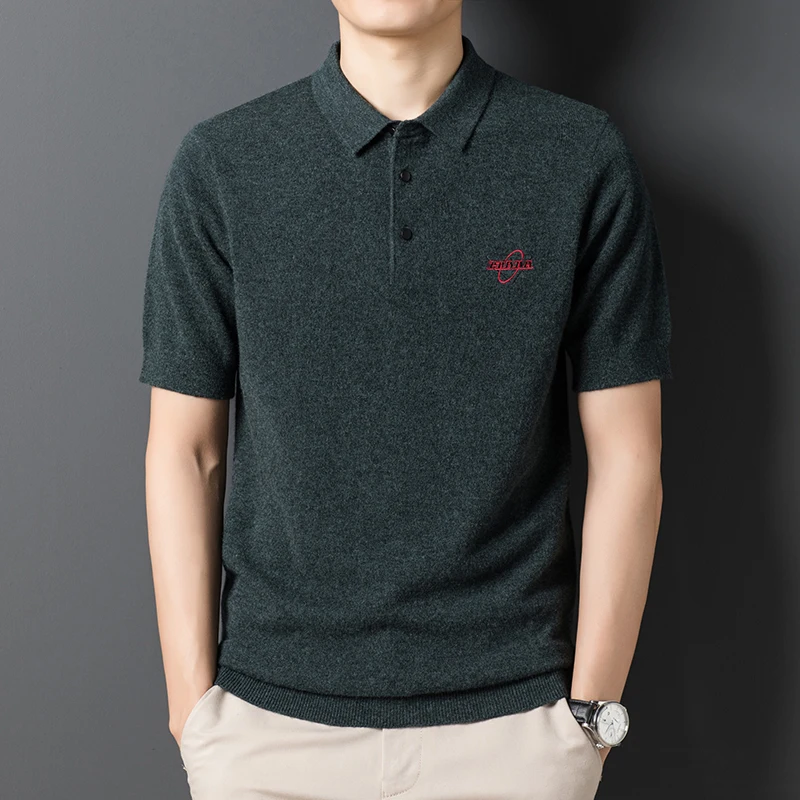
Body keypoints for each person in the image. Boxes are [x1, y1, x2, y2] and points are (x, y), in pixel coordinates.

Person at [138, 1, 672, 798]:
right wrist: (195, 715)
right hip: (268, 730)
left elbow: (630, 454)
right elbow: (186, 449)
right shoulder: (224, 164)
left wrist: (587, 720)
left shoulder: (578, 155)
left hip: (513, 730)